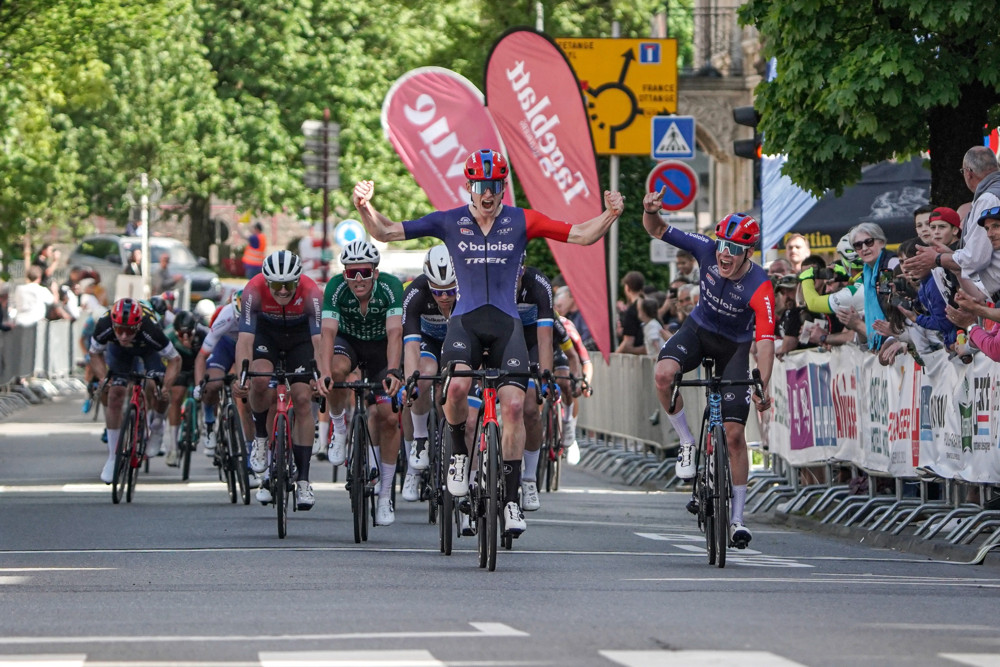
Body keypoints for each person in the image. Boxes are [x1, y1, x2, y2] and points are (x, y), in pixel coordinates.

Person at [352, 147, 624, 535]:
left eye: (495, 185)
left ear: (502, 187)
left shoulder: (519, 220)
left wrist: (610, 214)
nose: (488, 192)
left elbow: (579, 234)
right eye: (481, 184)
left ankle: (512, 501)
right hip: (464, 322)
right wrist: (364, 207)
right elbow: (387, 231)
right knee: (457, 388)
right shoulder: (450, 221)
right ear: (469, 186)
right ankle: (460, 457)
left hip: (507, 326)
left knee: (514, 407)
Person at [641, 191, 775, 549]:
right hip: (698, 332)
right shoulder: (705, 249)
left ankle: (737, 519)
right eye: (722, 246)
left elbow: (765, 342)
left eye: (735, 248)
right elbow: (658, 230)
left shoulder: (760, 285)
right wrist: (649, 211)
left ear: (748, 252)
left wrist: (762, 385)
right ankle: (686, 442)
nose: (725, 254)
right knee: (664, 375)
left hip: (735, 347)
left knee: (733, 435)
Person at [318, 240, 404, 526]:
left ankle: (385, 495)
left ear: (375, 273)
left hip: (381, 349)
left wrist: (393, 370)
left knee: (389, 418)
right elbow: (327, 335)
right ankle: (339, 428)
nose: (358, 279)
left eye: (364, 272)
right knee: (336, 369)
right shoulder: (335, 288)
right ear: (344, 274)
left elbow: (394, 334)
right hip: (349, 343)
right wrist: (324, 373)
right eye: (351, 272)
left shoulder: (391, 287)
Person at [235, 250, 324, 511]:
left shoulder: (311, 293)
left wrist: (319, 375)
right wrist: (243, 375)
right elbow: (245, 340)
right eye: (276, 285)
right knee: (259, 379)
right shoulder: (252, 290)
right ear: (266, 281)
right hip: (267, 336)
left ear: (298, 280)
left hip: (300, 339)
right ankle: (261, 437)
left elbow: (319, 342)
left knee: (302, 397)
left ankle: (304, 480)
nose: (283, 291)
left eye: (288, 284)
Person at [89, 298, 181, 482]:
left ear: (138, 326)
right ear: (113, 324)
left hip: (148, 350)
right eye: (120, 329)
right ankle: (113, 458)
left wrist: (166, 386)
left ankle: (156, 427)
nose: (124, 335)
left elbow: (175, 359)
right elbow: (94, 353)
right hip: (119, 353)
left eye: (129, 330)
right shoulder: (105, 324)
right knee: (115, 394)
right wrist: (102, 379)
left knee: (158, 387)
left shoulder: (151, 329)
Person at [399, 245, 458, 502]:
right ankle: (420, 443)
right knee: (423, 377)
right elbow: (410, 343)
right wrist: (411, 382)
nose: (444, 297)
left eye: (450, 291)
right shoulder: (414, 292)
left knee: (453, 387)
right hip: (427, 341)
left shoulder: (470, 287)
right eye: (437, 291)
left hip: (458, 340)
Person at [906, 146, 1000, 301]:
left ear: (968, 173)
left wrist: (938, 258)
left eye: (941, 226)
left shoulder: (989, 199)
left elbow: (976, 258)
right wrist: (952, 256)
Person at [162, 310, 211, 465]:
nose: (185, 338)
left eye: (189, 334)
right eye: (180, 334)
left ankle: (209, 424)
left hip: (200, 363)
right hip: (180, 366)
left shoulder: (204, 333)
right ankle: (173, 446)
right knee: (176, 396)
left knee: (210, 389)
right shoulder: (168, 335)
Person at [851, 223, 900, 352]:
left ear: (882, 242)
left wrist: (896, 333)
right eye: (858, 245)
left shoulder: (890, 264)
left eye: (869, 242)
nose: (864, 248)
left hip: (900, 334)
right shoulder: (867, 272)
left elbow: (890, 302)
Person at [553, 285, 594, 349]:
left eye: (560, 306)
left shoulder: (584, 316)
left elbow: (587, 336)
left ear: (571, 296)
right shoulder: (568, 316)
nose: (558, 309)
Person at [616, 271, 646, 355]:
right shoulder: (648, 304)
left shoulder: (632, 310)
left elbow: (628, 342)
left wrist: (615, 355)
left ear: (627, 287)